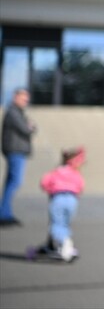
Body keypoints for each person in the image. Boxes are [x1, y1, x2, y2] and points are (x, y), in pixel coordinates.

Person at [36, 146, 86, 261]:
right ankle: (63, 246)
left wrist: (49, 189)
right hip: (72, 200)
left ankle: (65, 246)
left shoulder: (57, 171)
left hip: (58, 198)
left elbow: (44, 182)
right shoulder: (75, 173)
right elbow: (81, 186)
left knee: (56, 224)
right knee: (65, 223)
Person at [1, 88, 36, 227]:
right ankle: (4, 214)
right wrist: (30, 127)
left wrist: (31, 127)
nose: (25, 101)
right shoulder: (13, 112)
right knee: (14, 182)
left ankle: (5, 213)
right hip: (15, 150)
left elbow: (32, 127)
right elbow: (26, 129)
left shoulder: (18, 112)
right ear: (15, 97)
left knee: (11, 182)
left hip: (17, 150)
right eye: (23, 98)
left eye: (27, 99)